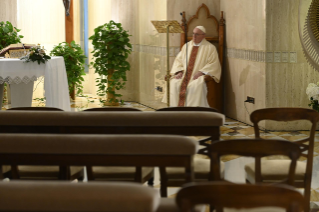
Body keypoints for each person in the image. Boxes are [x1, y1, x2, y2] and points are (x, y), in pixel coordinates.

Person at [162, 26, 221, 107]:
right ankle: (175, 110)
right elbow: (178, 60)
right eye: (193, 34)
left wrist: (201, 72)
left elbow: (213, 63)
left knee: (196, 86)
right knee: (174, 83)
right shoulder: (186, 46)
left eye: (197, 34)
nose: (194, 36)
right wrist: (179, 71)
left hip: (196, 77)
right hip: (184, 76)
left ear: (203, 36)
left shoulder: (210, 48)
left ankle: (194, 113)